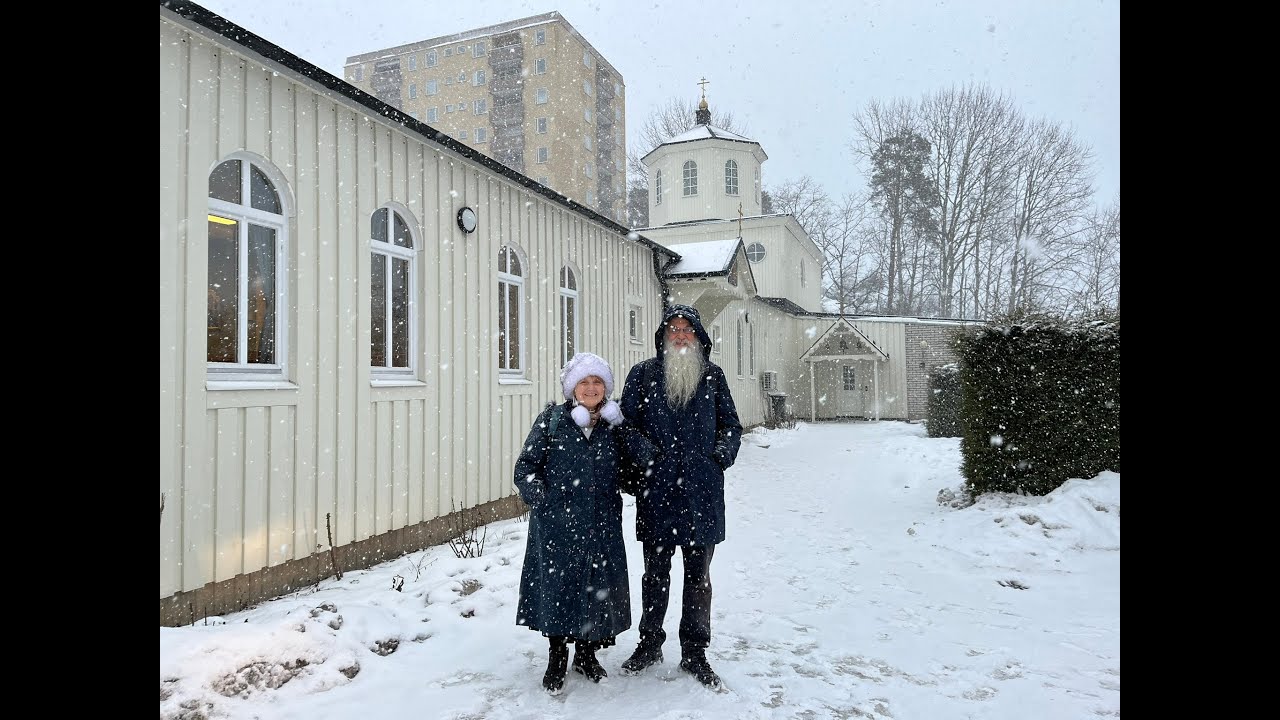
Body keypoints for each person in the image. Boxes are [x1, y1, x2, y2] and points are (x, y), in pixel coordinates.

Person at [617, 304, 742, 690]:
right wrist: (648, 456)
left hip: (701, 495)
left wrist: (717, 458)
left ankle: (695, 651)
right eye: (674, 329)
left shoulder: (713, 377)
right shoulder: (643, 376)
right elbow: (625, 426)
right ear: (664, 337)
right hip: (657, 492)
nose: (681, 335)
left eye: (688, 329)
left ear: (699, 336)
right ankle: (650, 643)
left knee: (698, 577)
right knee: (655, 575)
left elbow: (731, 426)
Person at [513, 352, 633, 695]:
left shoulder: (614, 426)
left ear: (606, 389)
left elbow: (632, 469)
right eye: (584, 382)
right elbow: (526, 467)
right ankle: (556, 656)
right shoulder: (552, 420)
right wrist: (541, 497)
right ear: (572, 389)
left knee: (596, 588)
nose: (591, 388)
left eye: (598, 382)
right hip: (557, 527)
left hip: (601, 524)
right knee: (559, 589)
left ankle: (586, 653)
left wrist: (626, 434)